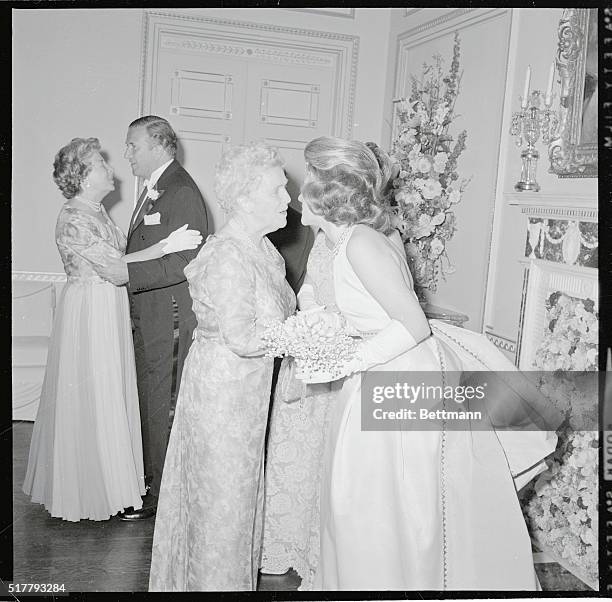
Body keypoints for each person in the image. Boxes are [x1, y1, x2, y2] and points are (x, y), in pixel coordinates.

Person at [297, 136, 558, 590]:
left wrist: (347, 361)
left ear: (328, 190)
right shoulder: (358, 238)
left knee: (383, 509)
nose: (299, 190)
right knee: (378, 509)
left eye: (308, 178)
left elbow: (413, 323)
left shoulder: (361, 243)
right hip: (386, 371)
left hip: (396, 377)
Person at [23, 137, 202, 522]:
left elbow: (119, 262)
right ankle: (89, 490)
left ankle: (110, 483)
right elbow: (112, 265)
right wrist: (166, 245)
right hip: (90, 309)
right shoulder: (73, 216)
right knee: (95, 395)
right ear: (86, 177)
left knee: (111, 394)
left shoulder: (96, 211)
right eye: (101, 162)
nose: (110, 167)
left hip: (107, 305)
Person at [149, 142, 296, 591]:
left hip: (246, 394)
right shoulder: (230, 255)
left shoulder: (263, 250)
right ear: (246, 196)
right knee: (222, 504)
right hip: (223, 398)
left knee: (236, 499)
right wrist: (304, 338)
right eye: (277, 190)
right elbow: (242, 337)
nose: (287, 198)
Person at [96, 116, 209, 520]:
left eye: (133, 145)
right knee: (150, 399)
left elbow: (187, 261)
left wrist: (130, 274)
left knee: (164, 403)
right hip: (150, 314)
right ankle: (149, 480)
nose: (126, 153)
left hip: (170, 317)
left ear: (160, 145)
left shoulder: (180, 189)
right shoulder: (155, 188)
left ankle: (161, 494)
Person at [260, 229, 339, 589]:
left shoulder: (377, 236)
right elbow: (308, 283)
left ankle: (318, 550)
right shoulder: (324, 235)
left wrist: (332, 329)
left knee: (324, 454)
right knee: (294, 452)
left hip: (340, 354)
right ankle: (285, 545)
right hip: (310, 348)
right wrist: (311, 313)